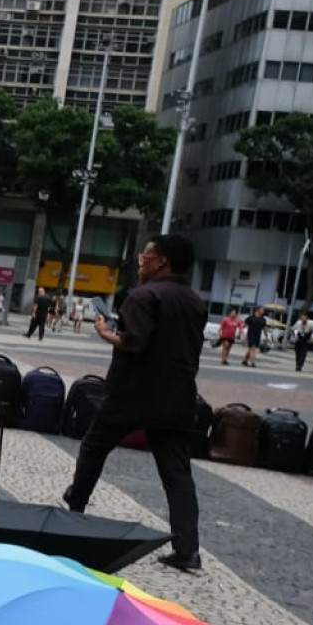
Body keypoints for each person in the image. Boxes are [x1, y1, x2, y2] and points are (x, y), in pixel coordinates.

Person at [62, 234, 208, 572]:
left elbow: (135, 343)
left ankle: (75, 510)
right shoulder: (195, 302)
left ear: (162, 262)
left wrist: (106, 333)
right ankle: (188, 549)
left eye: (147, 255)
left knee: (94, 447)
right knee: (177, 474)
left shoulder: (143, 295)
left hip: (132, 393)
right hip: (177, 396)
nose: (140, 258)